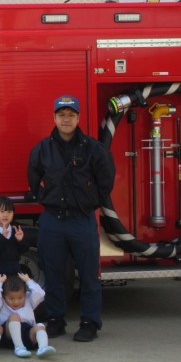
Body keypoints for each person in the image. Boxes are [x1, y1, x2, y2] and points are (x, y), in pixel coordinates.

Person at [28, 95, 115, 342]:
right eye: (61, 115)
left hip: (82, 220)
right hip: (52, 220)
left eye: (71, 115)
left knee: (88, 275)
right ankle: (55, 320)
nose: (66, 119)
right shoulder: (42, 149)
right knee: (53, 273)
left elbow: (106, 180)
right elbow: (33, 178)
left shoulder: (93, 149)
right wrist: (45, 197)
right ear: (54, 118)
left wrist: (90, 201)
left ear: (78, 118)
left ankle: (89, 323)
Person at [0, 273, 56, 359]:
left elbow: (40, 294)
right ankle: (19, 347)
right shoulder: (1, 304)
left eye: (20, 298)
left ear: (25, 294)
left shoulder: (29, 300)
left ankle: (43, 348)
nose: (16, 302)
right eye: (11, 298)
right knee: (14, 316)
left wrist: (28, 281)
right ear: (4, 297)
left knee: (39, 326)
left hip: (26, 334)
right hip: (8, 336)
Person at [0, 195, 30, 280]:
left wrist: (20, 240)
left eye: (9, 212)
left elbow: (24, 249)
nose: (5, 215)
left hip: (14, 272)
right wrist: (2, 238)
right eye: (2, 211)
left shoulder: (16, 230)